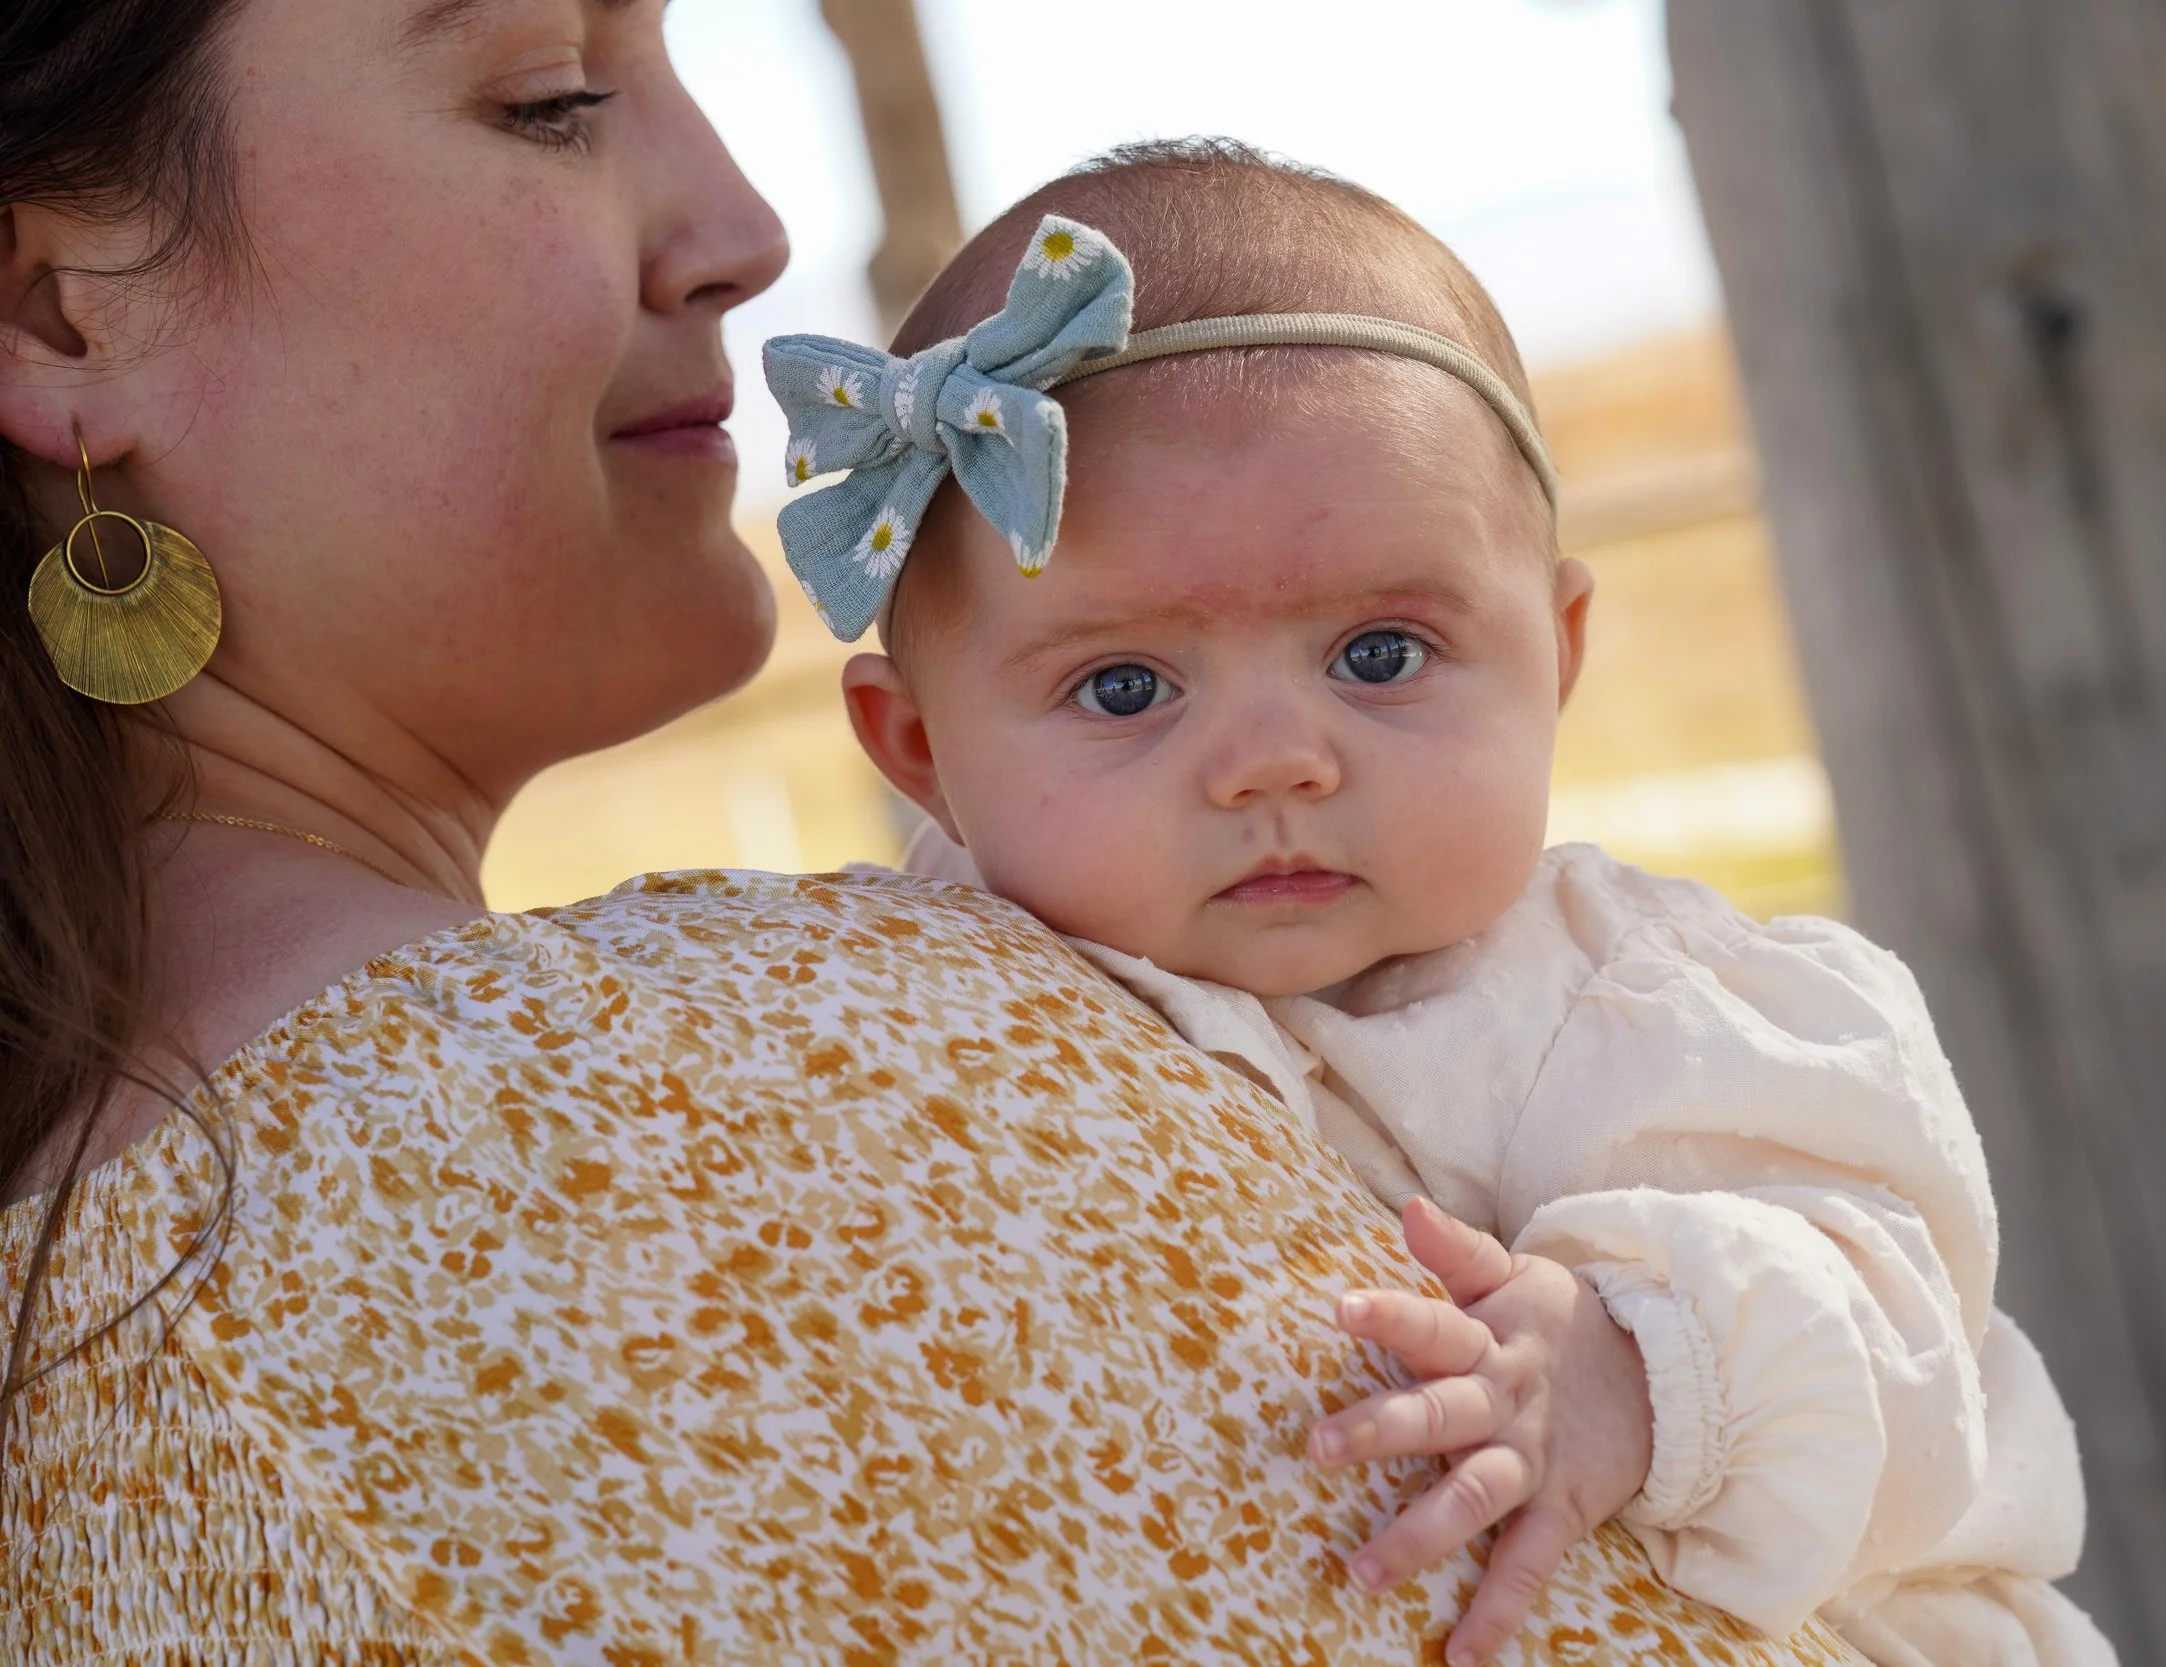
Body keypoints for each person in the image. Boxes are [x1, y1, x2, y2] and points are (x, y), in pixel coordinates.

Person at [0, 5, 1857, 1662]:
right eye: (549, 94)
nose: (748, 228)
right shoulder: (672, 1098)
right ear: (57, 310)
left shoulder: (67, 1362)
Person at [774, 143, 2116, 1667]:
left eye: (1381, 655)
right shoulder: (928, 983)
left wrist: (1629, 1368)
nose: (1276, 760)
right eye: (1125, 687)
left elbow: (1894, 1318)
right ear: (922, 753)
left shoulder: (1629, 1002)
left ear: (1557, 652)